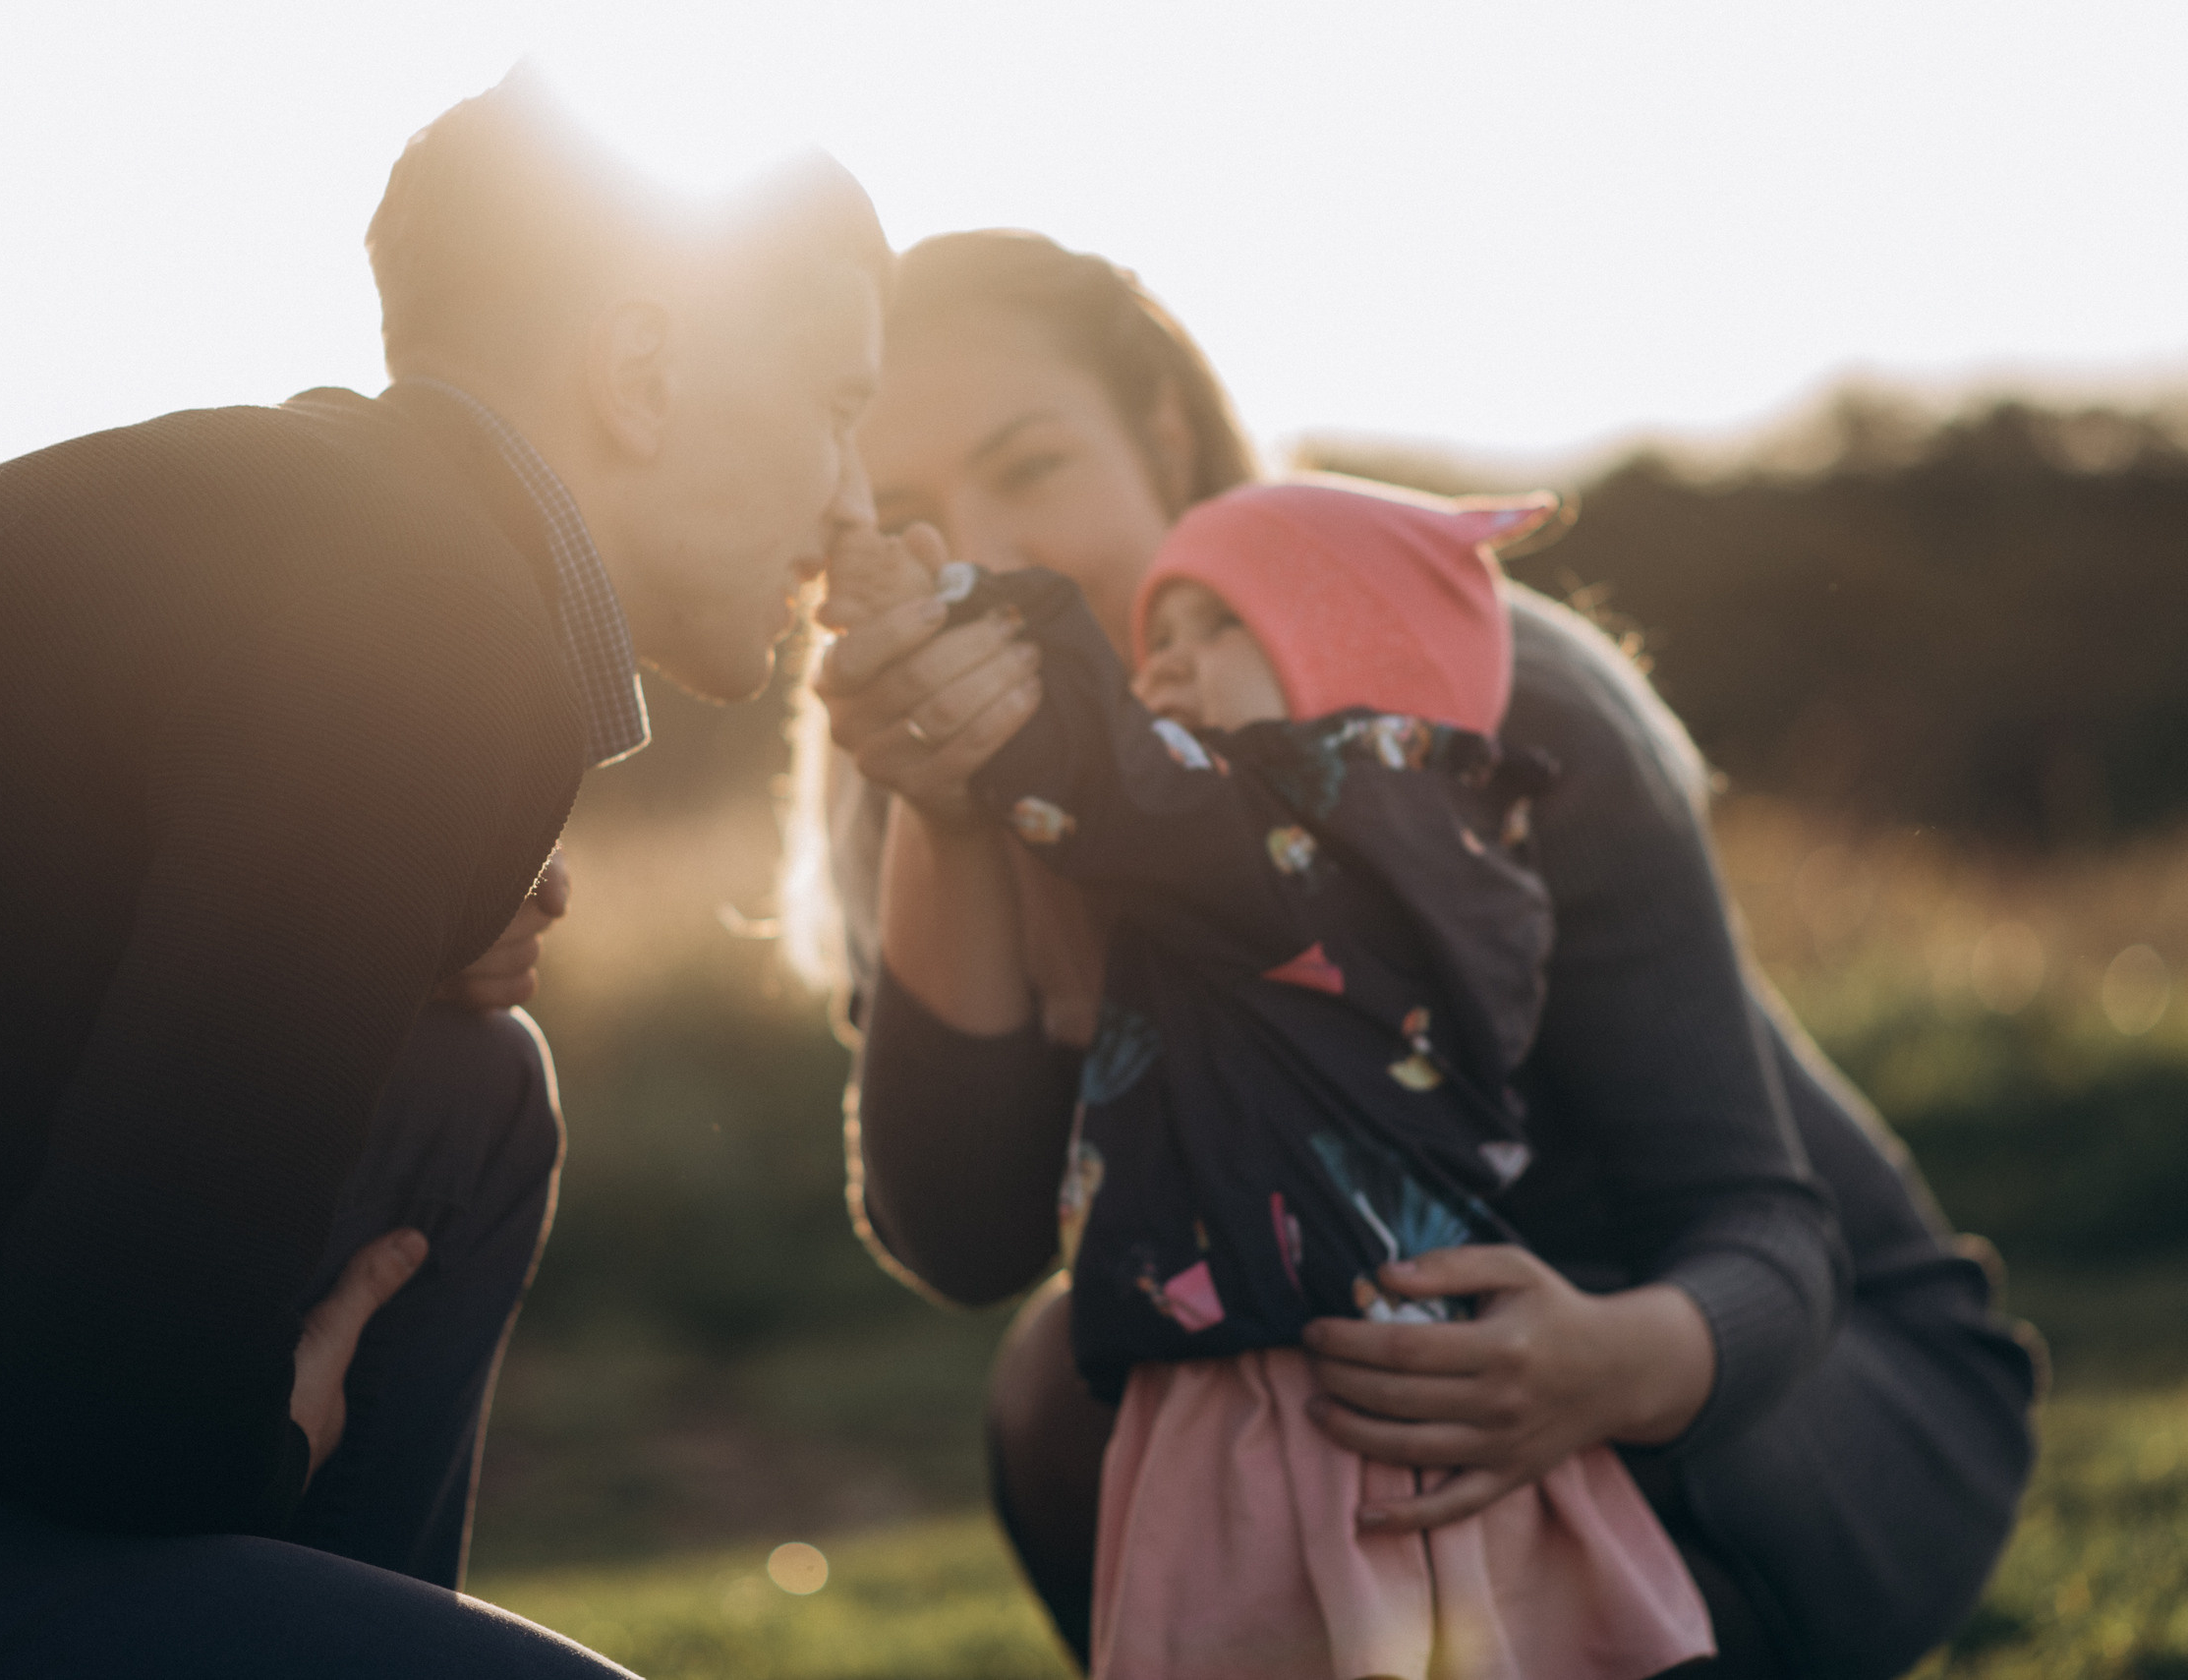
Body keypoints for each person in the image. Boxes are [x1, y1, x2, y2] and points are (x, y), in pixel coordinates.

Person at [792, 230, 2042, 1680]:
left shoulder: (1479, 706)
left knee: (1403, 1356)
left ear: (1161, 434)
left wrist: (1595, 1364)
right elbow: (971, 1242)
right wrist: (950, 814)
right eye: (913, 514)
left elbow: (1766, 1232)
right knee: (1072, 1386)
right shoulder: (915, 782)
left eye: (1032, 467)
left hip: (1787, 1390)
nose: (990, 558)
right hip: (1400, 1418)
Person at [0, 74, 886, 1678]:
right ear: (641, 372)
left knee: (468, 1086)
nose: (850, 503)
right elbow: (105, 1405)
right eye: (838, 404)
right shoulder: (422, 618)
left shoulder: (314, 523)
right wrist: (262, 1446)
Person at [832, 481, 1715, 1680]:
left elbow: (1103, 779)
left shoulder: (1334, 832)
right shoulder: (1419, 837)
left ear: (1347, 647)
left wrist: (961, 610)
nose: (1167, 668)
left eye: (1219, 628)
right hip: (1307, 1350)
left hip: (1309, 1392)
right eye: (1161, 640)